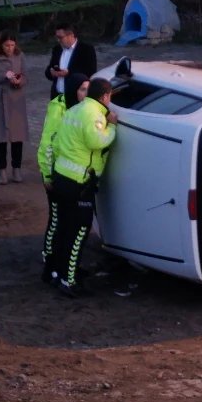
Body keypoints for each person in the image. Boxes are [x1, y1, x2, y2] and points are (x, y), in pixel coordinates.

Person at [46, 77, 118, 296]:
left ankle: (58, 272)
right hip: (79, 183)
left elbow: (56, 143)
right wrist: (112, 127)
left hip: (61, 176)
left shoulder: (74, 110)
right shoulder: (94, 115)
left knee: (64, 228)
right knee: (79, 232)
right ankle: (69, 281)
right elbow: (97, 141)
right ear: (105, 96)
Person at [37, 73, 89, 283]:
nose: (86, 94)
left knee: (66, 221)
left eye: (89, 89)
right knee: (56, 218)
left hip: (67, 174)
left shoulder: (82, 109)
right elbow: (47, 145)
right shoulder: (59, 109)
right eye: (82, 90)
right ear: (72, 90)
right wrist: (47, 176)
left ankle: (63, 264)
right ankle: (49, 262)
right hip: (55, 174)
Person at [0, 30, 28, 185]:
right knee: (0, 137)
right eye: (7, 45)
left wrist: (18, 82)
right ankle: (1, 170)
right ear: (0, 45)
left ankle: (17, 168)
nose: (10, 48)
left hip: (16, 100)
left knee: (17, 137)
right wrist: (3, 75)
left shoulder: (20, 55)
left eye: (12, 45)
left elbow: (26, 76)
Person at [44, 22, 97, 101]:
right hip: (57, 96)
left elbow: (90, 73)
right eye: (56, 37)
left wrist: (68, 73)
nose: (58, 40)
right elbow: (49, 70)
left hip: (75, 98)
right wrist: (51, 73)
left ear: (71, 35)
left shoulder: (86, 49)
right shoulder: (57, 49)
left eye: (60, 37)